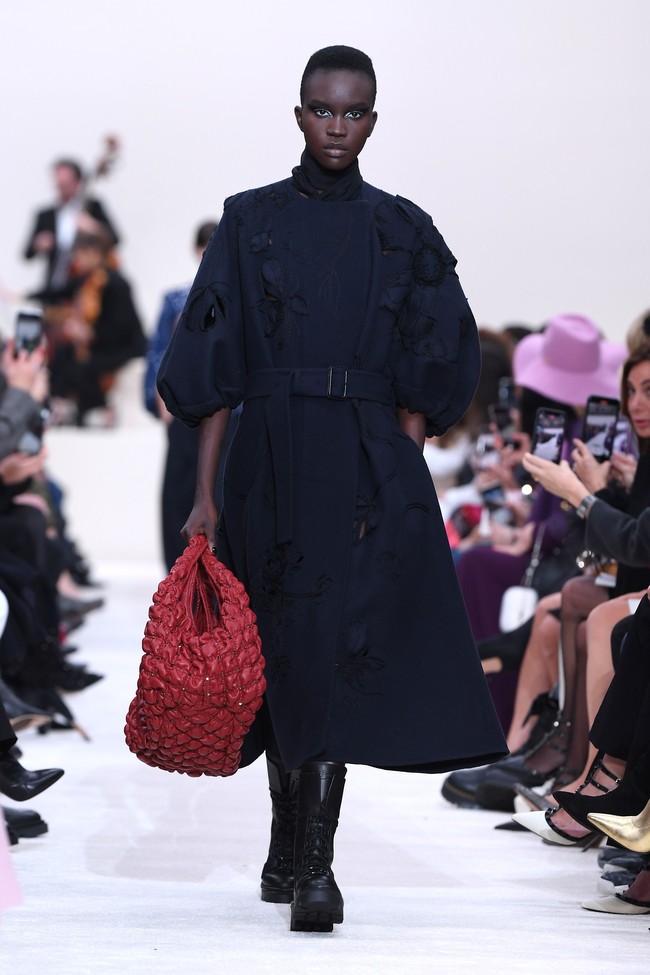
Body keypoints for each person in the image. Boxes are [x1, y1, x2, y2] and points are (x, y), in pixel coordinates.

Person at [158, 45, 507, 932]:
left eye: (353, 113)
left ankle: (316, 863)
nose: (337, 127)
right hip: (266, 460)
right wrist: (204, 497)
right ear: (299, 113)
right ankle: (285, 842)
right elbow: (213, 367)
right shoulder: (248, 221)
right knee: (277, 654)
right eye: (323, 110)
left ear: (373, 120)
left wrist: (400, 470)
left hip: (361, 461)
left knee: (329, 653)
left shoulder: (403, 229)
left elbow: (434, 357)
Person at [144, 220, 240, 571]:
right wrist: (161, 400)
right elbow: (158, 353)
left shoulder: (241, 301)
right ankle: (177, 575)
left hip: (232, 413)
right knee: (180, 493)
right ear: (196, 250)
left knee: (223, 493)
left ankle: (220, 577)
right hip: (185, 412)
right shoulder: (175, 300)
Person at [45, 230, 146, 426]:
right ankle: (62, 405)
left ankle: (97, 409)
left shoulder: (116, 283)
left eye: (79, 255)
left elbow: (121, 328)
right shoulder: (88, 279)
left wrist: (89, 333)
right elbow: (59, 292)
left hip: (124, 346)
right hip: (104, 341)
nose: (76, 261)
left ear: (93, 252)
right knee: (64, 353)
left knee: (85, 364)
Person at [23, 157, 120, 300]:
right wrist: (38, 244)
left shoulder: (92, 208)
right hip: (54, 286)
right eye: (59, 184)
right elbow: (27, 254)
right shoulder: (46, 215)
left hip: (85, 286)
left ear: (77, 182)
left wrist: (93, 226)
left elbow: (115, 239)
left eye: (66, 183)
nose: (61, 188)